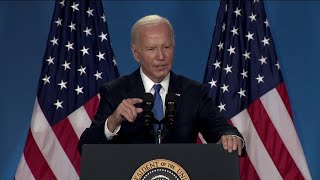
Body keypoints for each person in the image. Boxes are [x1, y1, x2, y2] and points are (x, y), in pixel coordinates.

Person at [78, 15, 245, 155]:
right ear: (136, 54)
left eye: (167, 47)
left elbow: (225, 131)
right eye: (151, 49)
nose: (161, 56)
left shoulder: (193, 92)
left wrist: (230, 137)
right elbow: (85, 148)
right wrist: (113, 121)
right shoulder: (115, 91)